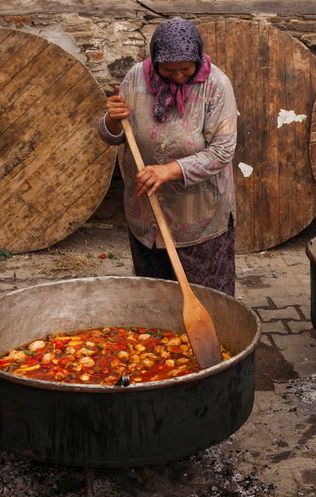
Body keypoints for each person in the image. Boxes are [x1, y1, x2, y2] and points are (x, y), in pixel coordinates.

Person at [98, 17, 238, 296]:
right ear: (155, 60)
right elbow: (113, 135)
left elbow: (222, 150)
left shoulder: (216, 85)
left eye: (185, 69)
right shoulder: (136, 78)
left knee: (206, 296)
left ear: (197, 59)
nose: (177, 76)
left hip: (198, 215)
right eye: (168, 70)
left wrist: (169, 170)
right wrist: (112, 120)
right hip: (146, 213)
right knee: (156, 295)